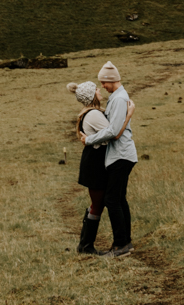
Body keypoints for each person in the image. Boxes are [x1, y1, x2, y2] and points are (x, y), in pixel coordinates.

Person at [65, 80, 133, 255]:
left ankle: (86, 245)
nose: (99, 90)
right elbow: (114, 133)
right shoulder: (93, 115)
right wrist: (129, 115)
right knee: (98, 204)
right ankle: (86, 246)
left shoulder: (94, 112)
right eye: (95, 89)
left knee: (100, 203)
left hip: (96, 161)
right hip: (96, 163)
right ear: (91, 95)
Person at [84, 60, 138, 257]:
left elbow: (114, 132)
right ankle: (126, 243)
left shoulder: (118, 98)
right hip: (122, 155)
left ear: (111, 80)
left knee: (112, 199)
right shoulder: (118, 97)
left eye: (103, 83)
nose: (102, 87)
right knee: (119, 199)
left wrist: (89, 139)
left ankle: (120, 245)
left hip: (120, 155)